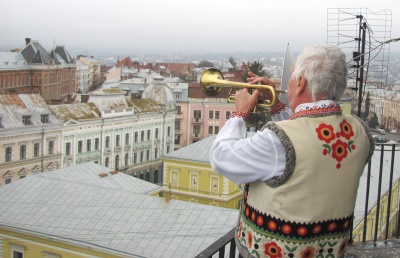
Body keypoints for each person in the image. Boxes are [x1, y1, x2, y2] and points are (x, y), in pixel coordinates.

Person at [209, 45, 375, 258]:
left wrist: (240, 114)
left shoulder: (276, 140)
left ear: (301, 82)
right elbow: (308, 141)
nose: (286, 83)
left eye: (292, 76)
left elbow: (221, 157)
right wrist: (277, 106)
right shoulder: (360, 130)